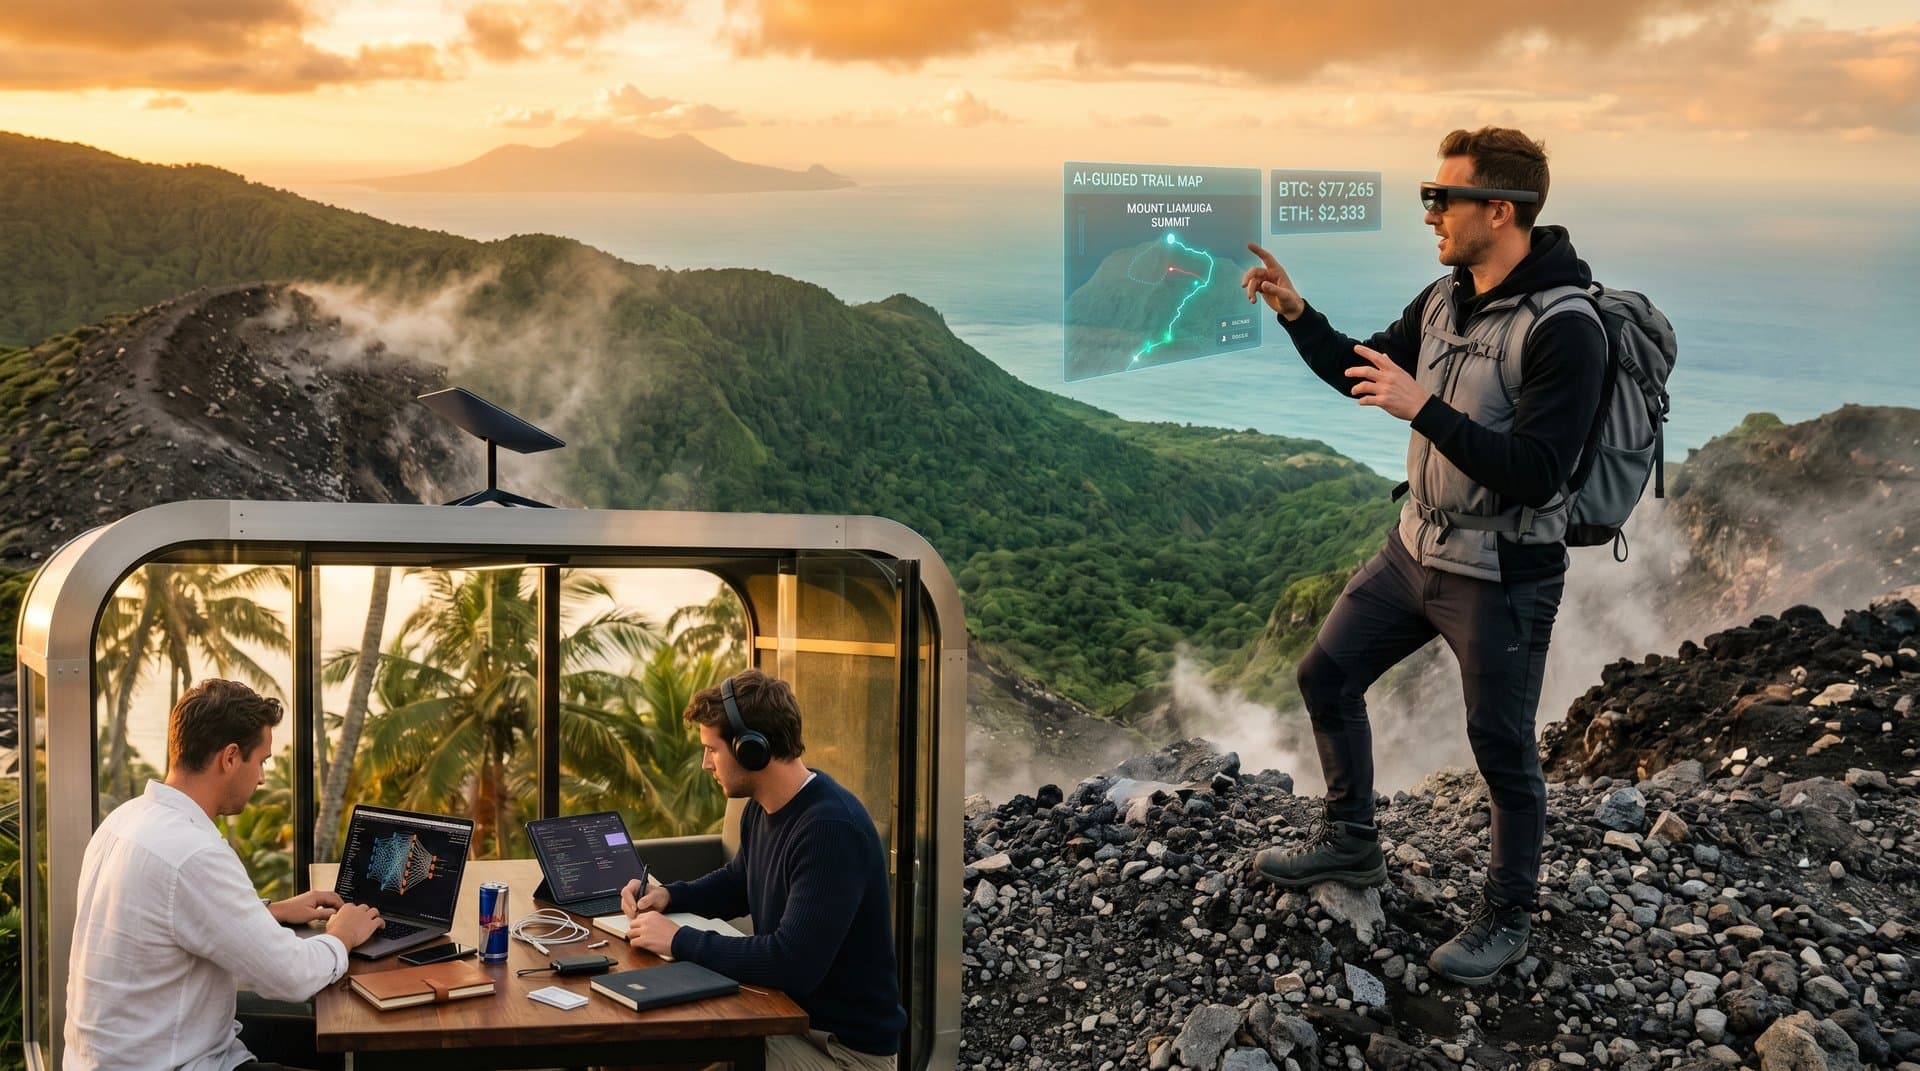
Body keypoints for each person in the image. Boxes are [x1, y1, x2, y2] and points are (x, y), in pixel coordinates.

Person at [1240, 127, 1606, 986]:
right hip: (1417, 545)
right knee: (1325, 674)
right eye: (1428, 197)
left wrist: (1424, 409)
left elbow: (1540, 472)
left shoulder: (1567, 329)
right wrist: (1298, 314)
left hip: (1504, 570)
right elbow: (1364, 369)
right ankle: (1351, 838)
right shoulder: (1445, 298)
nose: (1431, 214)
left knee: (1500, 744)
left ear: (1500, 210)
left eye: (1443, 198)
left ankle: (1508, 912)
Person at [65, 679, 383, 1071]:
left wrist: (268, 911)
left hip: (112, 1057)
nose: (262, 778)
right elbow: (292, 977)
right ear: (230, 758)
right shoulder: (193, 853)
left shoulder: (124, 820)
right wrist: (343, 935)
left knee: (321, 1042)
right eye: (261, 761)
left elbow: (170, 916)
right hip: (173, 1063)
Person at [618, 668, 906, 1070]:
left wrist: (678, 940)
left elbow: (791, 963)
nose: (705, 764)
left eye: (712, 749)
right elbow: (738, 882)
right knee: (644, 1051)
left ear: (751, 749)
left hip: (841, 1054)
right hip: (787, 1022)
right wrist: (669, 895)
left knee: (660, 1050)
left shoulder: (830, 830)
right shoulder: (762, 808)